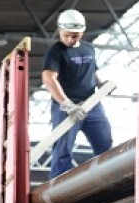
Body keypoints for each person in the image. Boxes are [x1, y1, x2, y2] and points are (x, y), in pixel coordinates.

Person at [42, 9, 113, 178]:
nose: (70, 39)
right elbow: (49, 79)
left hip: (92, 105)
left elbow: (92, 71)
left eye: (75, 36)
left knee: (105, 142)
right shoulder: (56, 52)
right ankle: (59, 184)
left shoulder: (89, 49)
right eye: (66, 35)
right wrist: (66, 104)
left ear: (82, 32)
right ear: (59, 31)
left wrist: (102, 83)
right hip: (66, 107)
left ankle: (107, 177)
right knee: (63, 148)